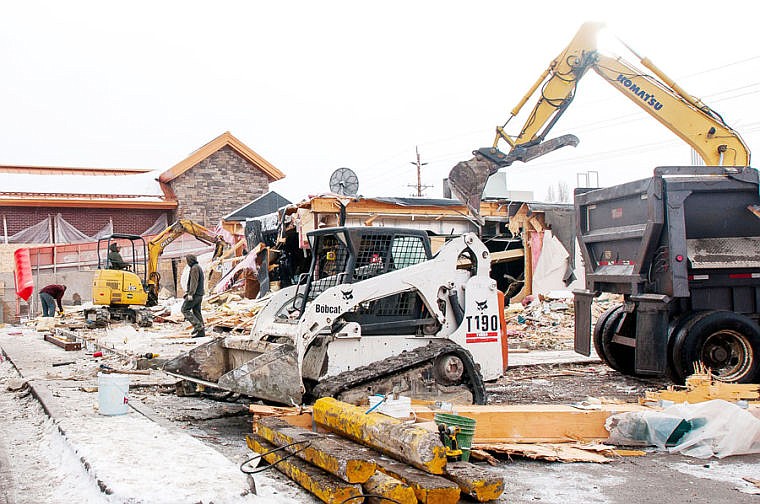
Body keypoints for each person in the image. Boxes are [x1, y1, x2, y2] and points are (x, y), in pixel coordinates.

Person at [182, 254, 205, 338]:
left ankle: (198, 326)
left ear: (190, 260)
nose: (187, 262)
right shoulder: (198, 267)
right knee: (197, 312)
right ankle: (201, 332)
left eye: (187, 260)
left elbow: (194, 282)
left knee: (184, 309)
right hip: (199, 294)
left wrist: (190, 294)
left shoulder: (195, 268)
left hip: (195, 294)